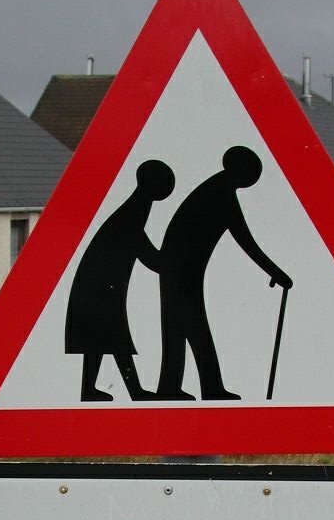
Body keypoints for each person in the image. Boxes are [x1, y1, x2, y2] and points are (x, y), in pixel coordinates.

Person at [156, 146, 291, 400]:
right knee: (192, 327)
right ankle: (207, 387)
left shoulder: (215, 189)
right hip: (182, 271)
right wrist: (276, 273)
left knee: (179, 326)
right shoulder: (220, 195)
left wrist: (276, 272)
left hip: (178, 269)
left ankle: (171, 387)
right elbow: (246, 241)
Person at [65, 159, 175, 401]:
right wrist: (176, 260)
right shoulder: (134, 212)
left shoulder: (135, 208)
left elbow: (143, 249)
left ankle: (94, 390)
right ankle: (132, 392)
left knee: (102, 337)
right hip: (102, 287)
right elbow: (148, 255)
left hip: (101, 285)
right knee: (112, 336)